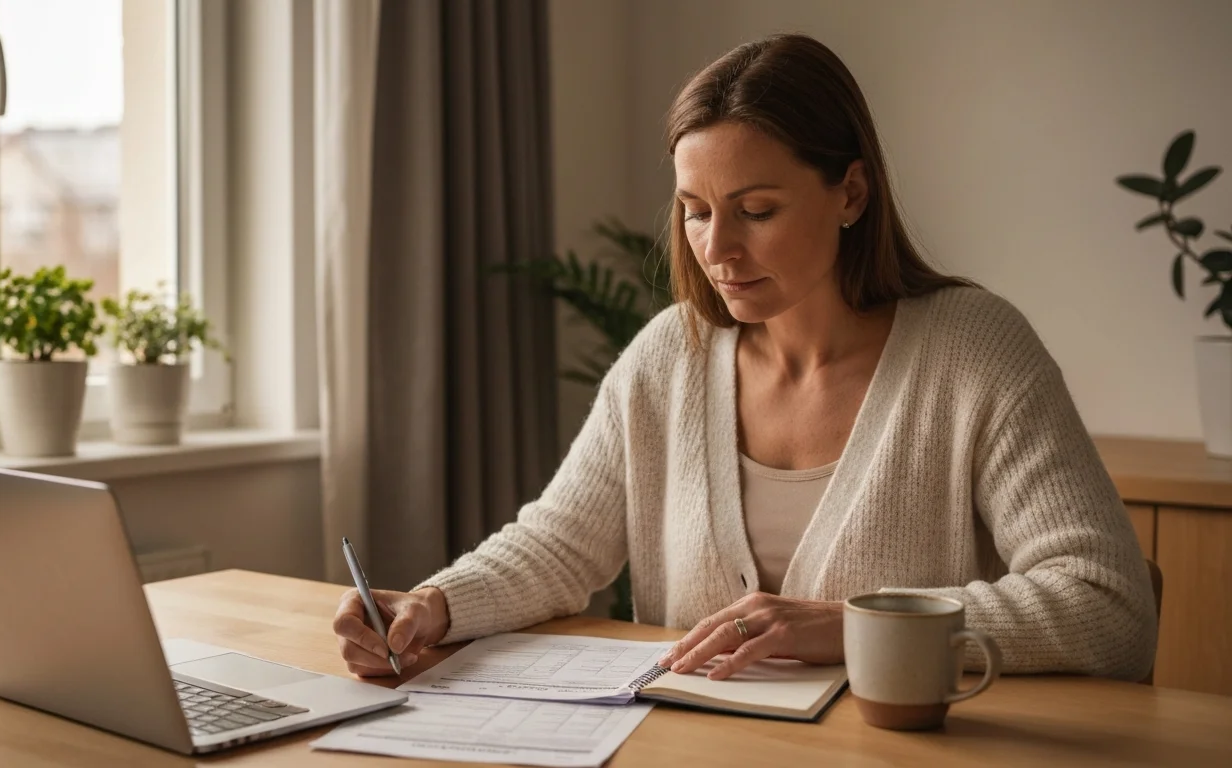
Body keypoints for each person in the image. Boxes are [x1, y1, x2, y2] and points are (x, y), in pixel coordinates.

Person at [332, 33, 1158, 683]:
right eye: (694, 212)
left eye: (755, 210)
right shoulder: (670, 358)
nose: (717, 248)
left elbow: (1109, 606)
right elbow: (559, 543)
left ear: (852, 195)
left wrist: (857, 626)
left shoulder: (974, 355)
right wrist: (436, 604)